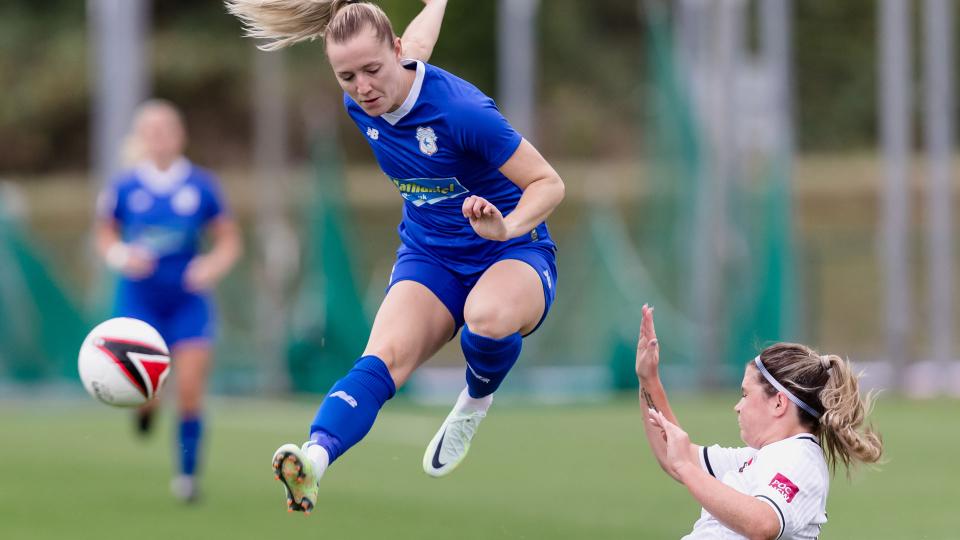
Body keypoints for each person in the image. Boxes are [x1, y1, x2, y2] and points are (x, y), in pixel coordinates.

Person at [226, 0, 564, 514]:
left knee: (486, 319)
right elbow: (418, 43)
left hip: (512, 248)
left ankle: (474, 399)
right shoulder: (364, 100)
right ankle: (314, 461)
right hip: (430, 254)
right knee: (379, 360)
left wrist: (508, 226)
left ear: (397, 53)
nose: (362, 87)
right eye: (346, 76)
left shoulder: (462, 112)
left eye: (372, 70)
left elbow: (549, 182)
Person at [95, 99, 242, 502]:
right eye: (151, 131)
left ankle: (187, 478)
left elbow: (229, 240)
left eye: (166, 130)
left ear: (180, 136)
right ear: (141, 139)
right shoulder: (125, 187)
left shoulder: (201, 186)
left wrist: (211, 265)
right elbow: (105, 234)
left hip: (188, 301)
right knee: (146, 393)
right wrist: (122, 256)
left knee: (191, 388)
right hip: (139, 304)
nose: (159, 139)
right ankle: (145, 412)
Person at [635, 304, 883, 539]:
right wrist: (649, 379)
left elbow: (763, 524)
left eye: (745, 394)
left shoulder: (800, 459)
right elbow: (677, 457)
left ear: (778, 403)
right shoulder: (758, 458)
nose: (737, 406)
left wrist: (686, 468)